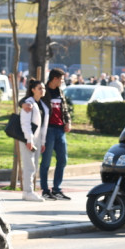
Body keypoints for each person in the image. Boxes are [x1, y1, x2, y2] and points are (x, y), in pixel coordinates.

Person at [38, 68, 73, 200]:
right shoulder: (43, 91)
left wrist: (68, 121)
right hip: (48, 130)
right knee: (46, 161)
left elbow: (65, 109)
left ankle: (57, 189)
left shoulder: (60, 92)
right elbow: (27, 99)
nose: (63, 81)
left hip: (60, 130)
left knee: (63, 159)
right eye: (61, 79)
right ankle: (45, 190)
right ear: (55, 79)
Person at [17, 79, 48, 202]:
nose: (42, 90)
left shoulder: (42, 104)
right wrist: (28, 139)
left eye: (43, 88)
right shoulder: (29, 103)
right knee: (29, 165)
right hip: (28, 139)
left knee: (34, 165)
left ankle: (30, 191)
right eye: (40, 88)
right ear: (33, 90)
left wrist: (43, 142)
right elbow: (25, 123)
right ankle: (28, 192)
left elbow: (43, 125)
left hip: (37, 139)